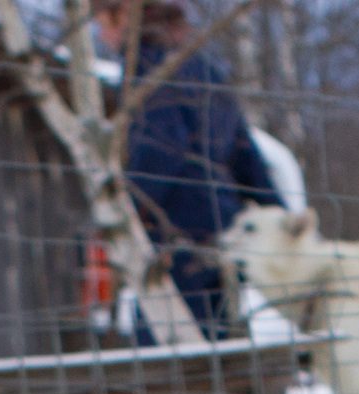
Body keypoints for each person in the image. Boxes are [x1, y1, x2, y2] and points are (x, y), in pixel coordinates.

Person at [95, 0, 281, 339]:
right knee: (223, 342)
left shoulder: (147, 68)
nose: (101, 34)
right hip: (223, 230)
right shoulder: (204, 67)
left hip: (173, 234)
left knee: (164, 357)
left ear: (124, 14)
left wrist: (125, 212)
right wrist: (278, 214)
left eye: (102, 22)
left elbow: (162, 149)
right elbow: (245, 154)